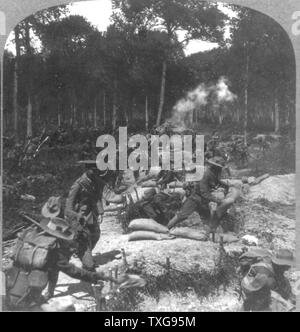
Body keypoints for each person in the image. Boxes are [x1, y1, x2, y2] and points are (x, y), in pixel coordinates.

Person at [4, 216, 127, 311]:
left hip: (7, 288)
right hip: (25, 299)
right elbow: (75, 272)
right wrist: (98, 276)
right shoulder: (52, 252)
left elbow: (52, 272)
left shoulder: (28, 237)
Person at [65, 161, 124, 271]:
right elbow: (69, 205)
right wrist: (74, 218)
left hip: (92, 214)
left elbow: (97, 197)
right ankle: (86, 259)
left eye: (96, 170)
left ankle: (82, 252)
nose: (95, 172)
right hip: (81, 215)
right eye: (93, 170)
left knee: (96, 235)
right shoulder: (78, 184)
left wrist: (101, 212)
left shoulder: (95, 181)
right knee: (84, 239)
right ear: (86, 170)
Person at [167, 157, 235, 235]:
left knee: (207, 220)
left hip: (203, 201)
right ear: (215, 167)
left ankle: (209, 237)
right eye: (219, 168)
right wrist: (217, 200)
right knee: (182, 216)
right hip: (195, 199)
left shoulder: (214, 174)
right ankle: (166, 229)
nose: (220, 170)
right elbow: (204, 193)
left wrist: (226, 186)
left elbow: (217, 182)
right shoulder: (206, 174)